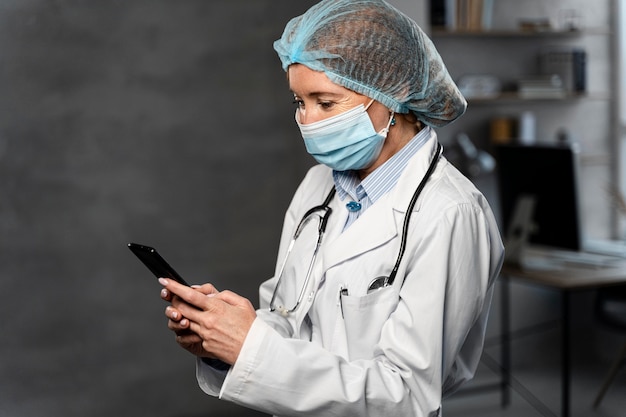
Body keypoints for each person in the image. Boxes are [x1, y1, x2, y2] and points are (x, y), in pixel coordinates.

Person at [158, 0, 504, 416]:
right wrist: (224, 339)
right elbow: (290, 321)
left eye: (325, 102)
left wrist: (252, 348)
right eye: (299, 103)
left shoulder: (451, 213)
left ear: (391, 94)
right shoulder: (318, 185)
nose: (308, 121)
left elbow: (406, 396)